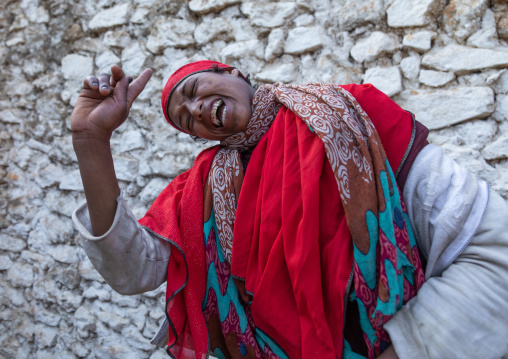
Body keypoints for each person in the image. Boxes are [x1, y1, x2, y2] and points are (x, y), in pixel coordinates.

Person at [71, 62, 508, 359]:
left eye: (192, 90)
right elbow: (133, 270)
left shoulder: (353, 117)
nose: (194, 109)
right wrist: (91, 142)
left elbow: (490, 247)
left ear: (232, 71)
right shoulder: (201, 191)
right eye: (186, 120)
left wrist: (407, 348)